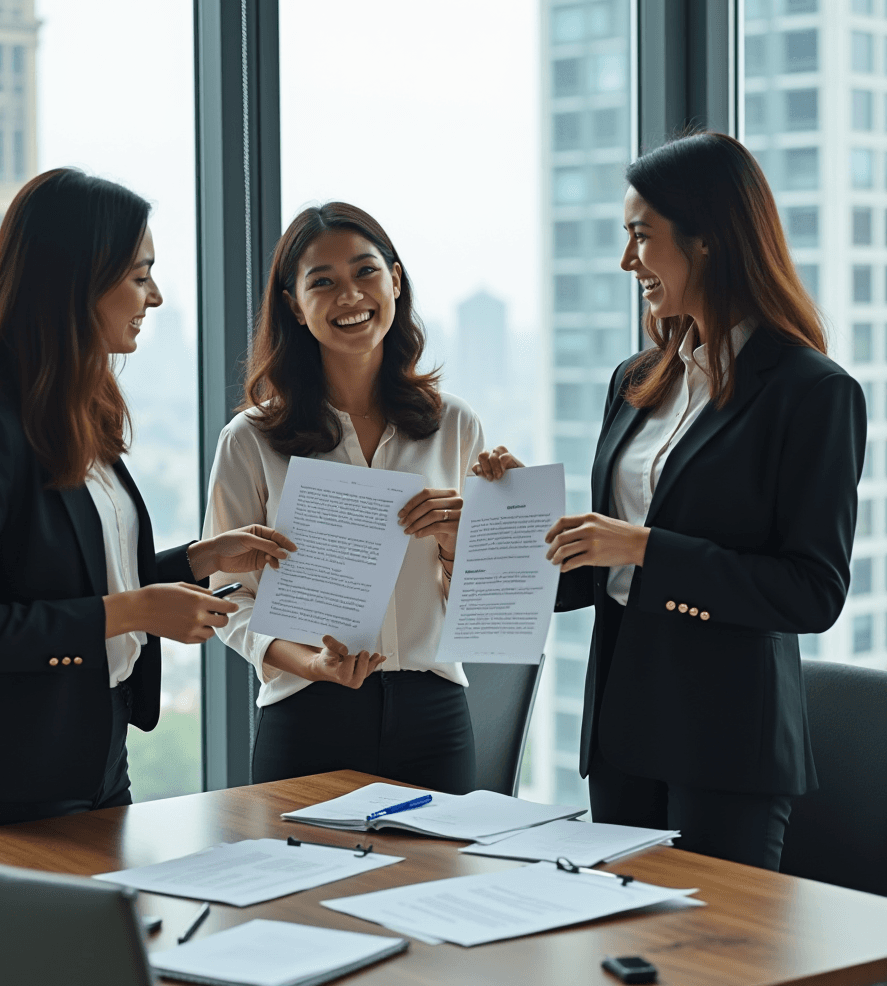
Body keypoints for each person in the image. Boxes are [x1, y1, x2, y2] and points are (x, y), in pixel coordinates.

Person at [474, 131, 865, 870]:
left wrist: (645, 548)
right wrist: (504, 528)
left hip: (728, 747)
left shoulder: (813, 393)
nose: (628, 262)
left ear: (711, 239)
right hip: (622, 733)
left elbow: (812, 593)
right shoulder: (636, 380)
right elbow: (598, 572)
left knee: (717, 971)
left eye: (641, 237)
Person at [0, 169, 294, 833]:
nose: (157, 296)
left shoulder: (83, 414)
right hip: (9, 789)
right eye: (140, 276)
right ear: (75, 282)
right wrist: (132, 610)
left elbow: (85, 580)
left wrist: (198, 559)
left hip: (101, 764)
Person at [202, 202, 485, 792]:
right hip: (307, 714)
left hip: (433, 715)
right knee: (303, 885)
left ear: (396, 281)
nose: (350, 296)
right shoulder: (251, 440)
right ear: (294, 307)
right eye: (322, 282)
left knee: (434, 885)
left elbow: (478, 607)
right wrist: (309, 663)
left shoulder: (455, 425)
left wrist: (459, 546)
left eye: (365, 272)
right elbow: (227, 597)